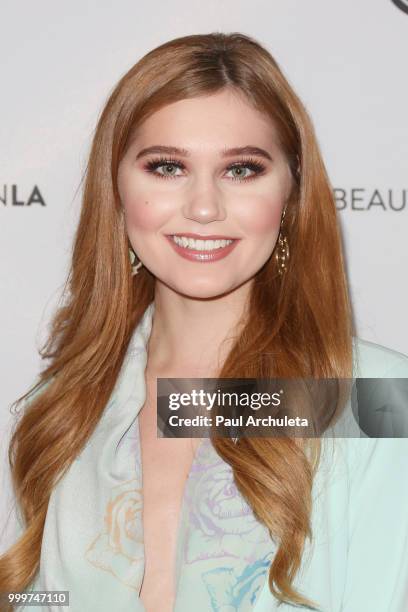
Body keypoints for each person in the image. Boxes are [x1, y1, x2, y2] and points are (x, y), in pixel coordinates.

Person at [1, 32, 408, 612]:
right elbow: (42, 599)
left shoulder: (375, 401)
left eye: (241, 170)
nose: (204, 206)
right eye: (166, 167)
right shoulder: (64, 407)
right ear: (116, 191)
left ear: (291, 194)